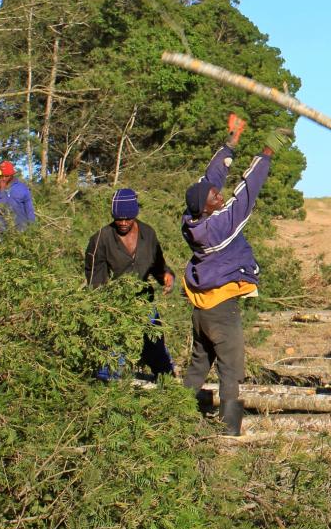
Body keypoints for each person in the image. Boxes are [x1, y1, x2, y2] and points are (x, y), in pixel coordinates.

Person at [180, 113, 292, 436]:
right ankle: (230, 429)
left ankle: (176, 412)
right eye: (216, 197)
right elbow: (247, 192)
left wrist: (232, 140)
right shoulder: (218, 227)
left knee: (200, 363)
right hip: (221, 310)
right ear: (208, 208)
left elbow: (208, 180)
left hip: (201, 310)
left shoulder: (192, 221)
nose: (220, 195)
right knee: (231, 366)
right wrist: (267, 152)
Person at [84, 188, 177, 378]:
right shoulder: (101, 239)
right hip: (116, 304)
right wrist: (104, 308)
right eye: (119, 219)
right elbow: (95, 278)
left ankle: (168, 388)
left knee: (155, 346)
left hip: (145, 301)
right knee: (113, 350)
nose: (124, 223)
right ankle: (106, 391)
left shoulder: (148, 234)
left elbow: (157, 263)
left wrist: (166, 276)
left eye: (128, 218)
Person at [0, 161, 36, 229]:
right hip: (2, 232)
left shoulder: (22, 188)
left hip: (21, 231)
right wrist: (1, 190)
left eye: (6, 176)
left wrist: (33, 229)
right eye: (1, 176)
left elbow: (30, 211)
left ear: (12, 174)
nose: (4, 178)